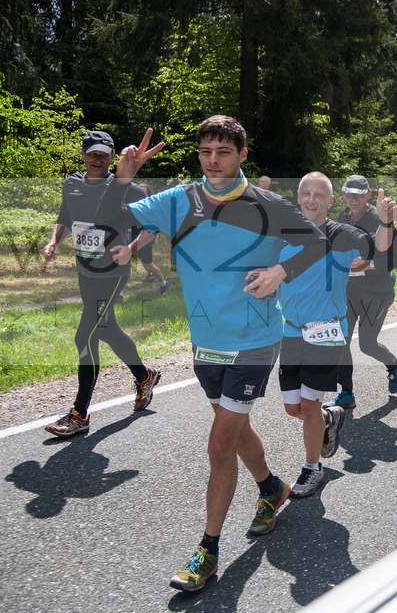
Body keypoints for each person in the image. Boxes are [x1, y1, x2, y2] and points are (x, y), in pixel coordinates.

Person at [105, 117, 331, 592]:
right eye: (205, 151)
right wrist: (122, 178)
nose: (212, 160)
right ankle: (271, 489)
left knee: (218, 444)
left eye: (222, 152)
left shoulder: (266, 204)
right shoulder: (180, 200)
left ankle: (207, 550)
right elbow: (117, 215)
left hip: (254, 340)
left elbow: (315, 241)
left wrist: (280, 273)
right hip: (206, 339)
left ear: (242, 156)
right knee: (236, 426)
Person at [278, 172, 397, 498]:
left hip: (327, 332)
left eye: (319, 195)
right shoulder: (283, 234)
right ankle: (330, 417)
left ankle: (312, 469)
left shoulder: (342, 234)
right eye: (306, 193)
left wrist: (385, 223)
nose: (311, 200)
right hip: (290, 332)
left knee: (307, 401)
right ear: (298, 196)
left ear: (330, 201)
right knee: (293, 408)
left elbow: (378, 249)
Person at [40, 131, 161, 438]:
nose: (97, 158)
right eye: (92, 153)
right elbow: (65, 216)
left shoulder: (127, 188)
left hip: (112, 272)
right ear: (83, 155)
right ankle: (144, 375)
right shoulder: (72, 184)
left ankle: (79, 414)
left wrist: (131, 250)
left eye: (103, 154)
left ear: (111, 157)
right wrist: (54, 241)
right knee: (105, 328)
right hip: (85, 270)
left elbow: (153, 226)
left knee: (86, 336)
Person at [332, 175, 397, 410]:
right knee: (342, 341)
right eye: (350, 193)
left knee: (367, 344)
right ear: (343, 194)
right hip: (350, 290)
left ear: (369, 195)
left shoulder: (379, 217)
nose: (354, 198)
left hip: (378, 291)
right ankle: (347, 392)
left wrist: (366, 264)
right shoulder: (343, 217)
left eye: (359, 194)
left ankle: (393, 364)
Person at [132, 183, 170, 296]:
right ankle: (151, 275)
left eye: (144, 190)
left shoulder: (151, 205)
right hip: (136, 235)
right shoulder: (135, 204)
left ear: (148, 193)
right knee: (143, 261)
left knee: (147, 263)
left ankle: (164, 283)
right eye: (140, 190)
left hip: (147, 236)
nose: (142, 192)